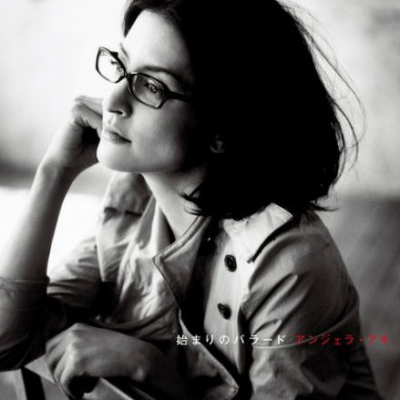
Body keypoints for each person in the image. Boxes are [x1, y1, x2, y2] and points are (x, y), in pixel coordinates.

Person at [0, 0, 383, 399]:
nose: (112, 100)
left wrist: (150, 369)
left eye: (151, 86)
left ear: (221, 129)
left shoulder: (290, 267)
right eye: (121, 66)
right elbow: (6, 343)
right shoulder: (135, 212)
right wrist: (53, 174)